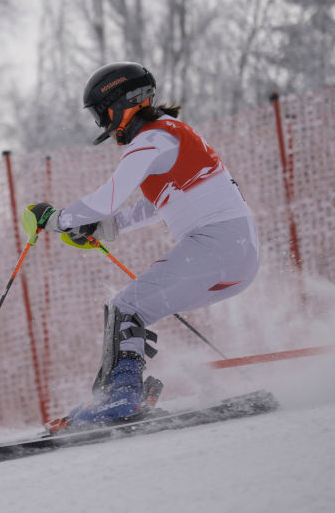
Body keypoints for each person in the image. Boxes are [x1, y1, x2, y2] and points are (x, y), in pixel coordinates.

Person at [25, 61, 259, 431]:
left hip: (217, 245)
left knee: (126, 305)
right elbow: (161, 202)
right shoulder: (168, 136)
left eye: (102, 114)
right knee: (131, 308)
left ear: (121, 104)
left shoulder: (151, 139)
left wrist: (56, 219)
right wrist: (110, 226)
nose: (103, 125)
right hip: (236, 255)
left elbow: (108, 196)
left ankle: (120, 397)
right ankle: (114, 392)